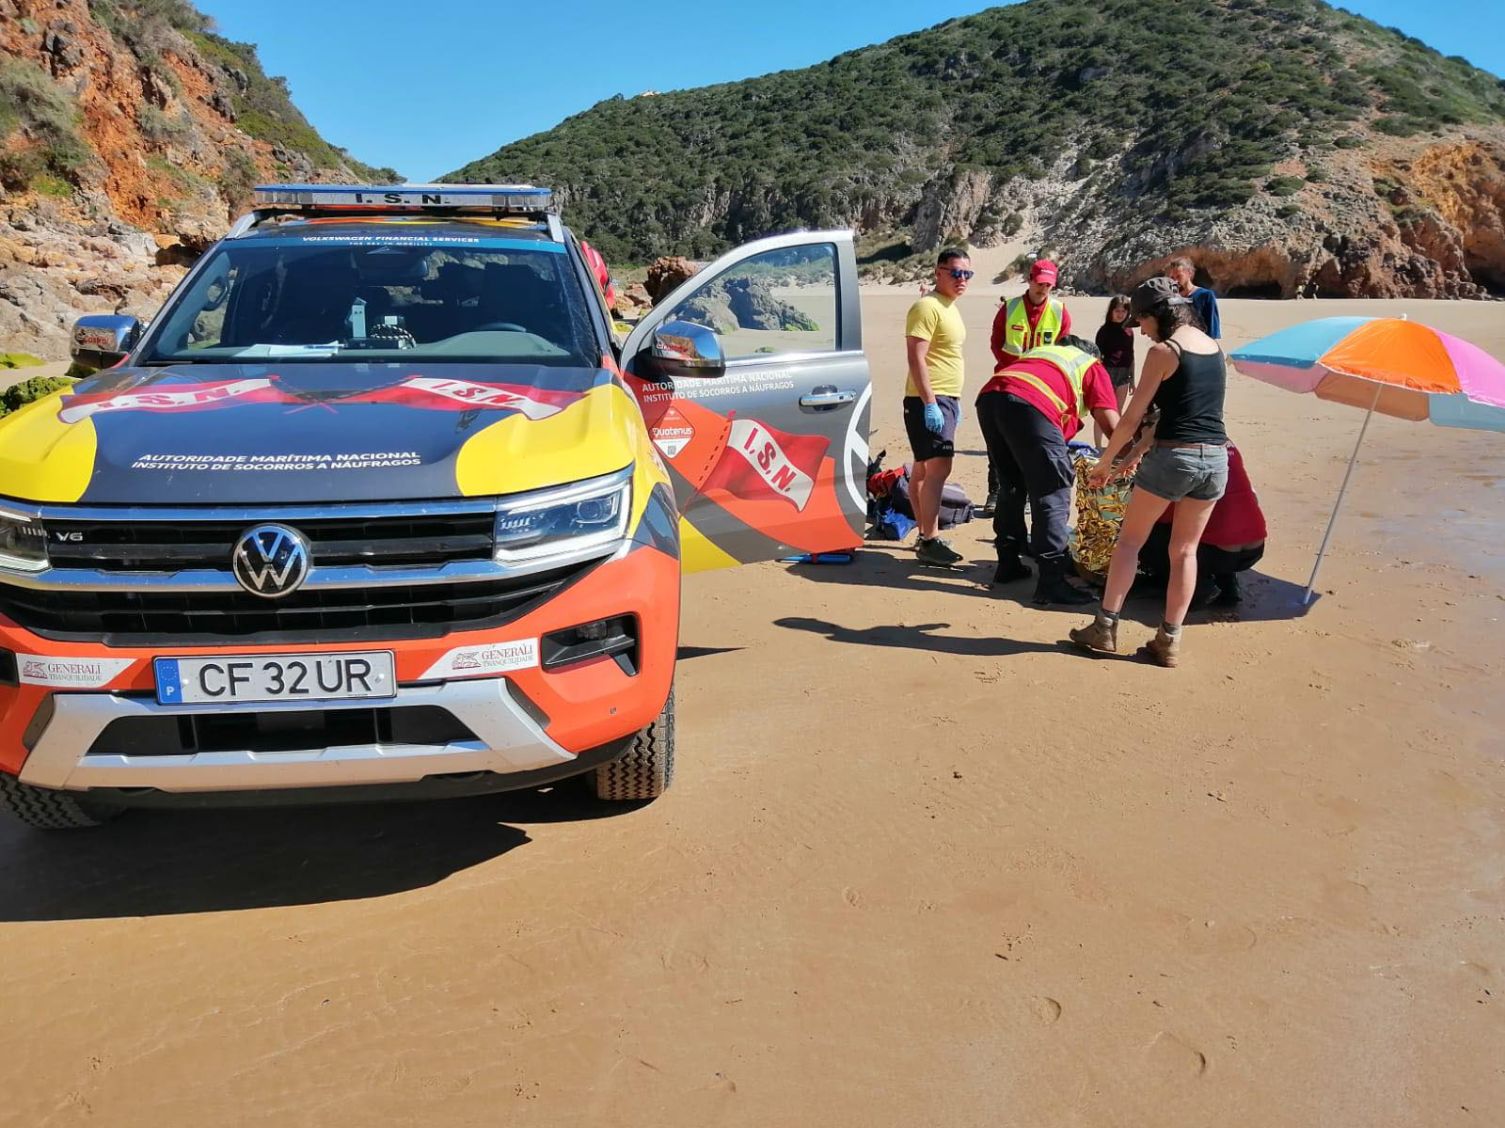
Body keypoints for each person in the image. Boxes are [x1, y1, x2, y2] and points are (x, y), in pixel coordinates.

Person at [1070, 277, 1228, 667]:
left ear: (1159, 314)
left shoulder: (1164, 352)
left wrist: (1105, 464)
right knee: (1185, 551)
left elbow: (1131, 418)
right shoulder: (1213, 348)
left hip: (1174, 459)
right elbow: (1183, 415)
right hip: (1215, 460)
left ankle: (1105, 627)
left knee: (1129, 543)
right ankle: (1169, 641)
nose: (1139, 330)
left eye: (1141, 320)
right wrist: (1135, 455)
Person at [975, 334, 1121, 605]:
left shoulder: (1042, 356)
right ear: (1095, 356)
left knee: (1012, 485)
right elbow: (1112, 426)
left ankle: (1008, 563)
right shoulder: (1091, 364)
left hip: (990, 398)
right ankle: (1051, 581)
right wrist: (1133, 455)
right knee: (1053, 488)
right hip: (1030, 402)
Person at [983, 258, 1072, 515]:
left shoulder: (1059, 311)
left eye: (1048, 284)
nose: (1043, 288)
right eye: (1040, 282)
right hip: (1008, 383)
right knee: (999, 443)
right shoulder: (1009, 308)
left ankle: (1031, 497)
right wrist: (1016, 369)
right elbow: (997, 343)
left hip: (1043, 389)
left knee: (1034, 444)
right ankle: (995, 493)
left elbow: (1063, 348)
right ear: (1030, 280)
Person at [903, 249, 973, 567]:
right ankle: (929, 540)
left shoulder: (949, 307)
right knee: (938, 470)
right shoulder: (927, 307)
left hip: (947, 399)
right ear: (938, 272)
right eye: (955, 273)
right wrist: (931, 403)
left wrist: (951, 404)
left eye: (967, 274)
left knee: (922, 467)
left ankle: (924, 532)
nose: (962, 280)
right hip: (929, 399)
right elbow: (916, 357)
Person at [1138, 441, 1265, 606]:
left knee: (1150, 533)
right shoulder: (1228, 445)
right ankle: (1227, 583)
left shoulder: (1179, 453)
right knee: (1217, 522)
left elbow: (1164, 516)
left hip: (1219, 552)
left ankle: (1198, 587)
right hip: (1255, 546)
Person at [1093, 294, 1135, 447]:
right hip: (1107, 373)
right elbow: (1096, 356)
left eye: (1123, 311)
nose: (1120, 314)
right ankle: (1098, 446)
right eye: (1117, 310)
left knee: (1118, 412)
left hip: (1124, 374)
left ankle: (1114, 446)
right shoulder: (1104, 331)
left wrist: (1132, 379)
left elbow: (1131, 355)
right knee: (1102, 413)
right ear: (1111, 311)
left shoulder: (1129, 331)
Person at [1165, 255, 1220, 339]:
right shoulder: (1171, 298)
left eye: (1179, 276)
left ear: (1189, 273)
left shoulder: (1205, 295)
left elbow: (1212, 330)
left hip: (1200, 344)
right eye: (1172, 277)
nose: (1175, 281)